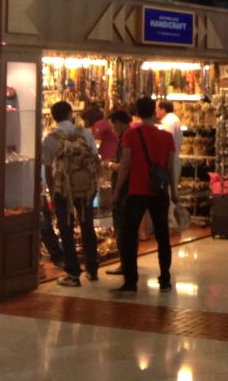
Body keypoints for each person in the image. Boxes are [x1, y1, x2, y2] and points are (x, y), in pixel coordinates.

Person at [113, 97, 179, 294]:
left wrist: (117, 191)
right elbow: (170, 168)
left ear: (138, 113)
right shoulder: (167, 137)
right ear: (153, 112)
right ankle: (165, 278)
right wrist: (174, 191)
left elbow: (125, 166)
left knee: (129, 235)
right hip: (159, 192)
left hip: (137, 191)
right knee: (162, 235)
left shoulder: (131, 135)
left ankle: (131, 281)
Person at [42, 101, 99, 287]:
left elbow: (48, 169)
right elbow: (94, 158)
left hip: (63, 189)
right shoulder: (85, 134)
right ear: (70, 114)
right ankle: (92, 269)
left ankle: (73, 273)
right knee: (87, 226)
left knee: (66, 229)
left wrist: (52, 191)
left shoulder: (51, 138)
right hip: (85, 189)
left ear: (52, 116)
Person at [103, 109, 131, 277]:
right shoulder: (134, 135)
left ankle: (124, 263)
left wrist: (109, 166)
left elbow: (123, 167)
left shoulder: (125, 139)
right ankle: (129, 261)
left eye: (113, 125)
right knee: (128, 227)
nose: (113, 129)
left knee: (121, 227)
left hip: (124, 188)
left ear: (118, 123)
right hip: (133, 188)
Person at [156, 99, 183, 178]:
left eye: (157, 108)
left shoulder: (168, 121)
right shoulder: (174, 119)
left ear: (163, 110)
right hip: (173, 161)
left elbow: (167, 142)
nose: (156, 111)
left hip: (169, 162)